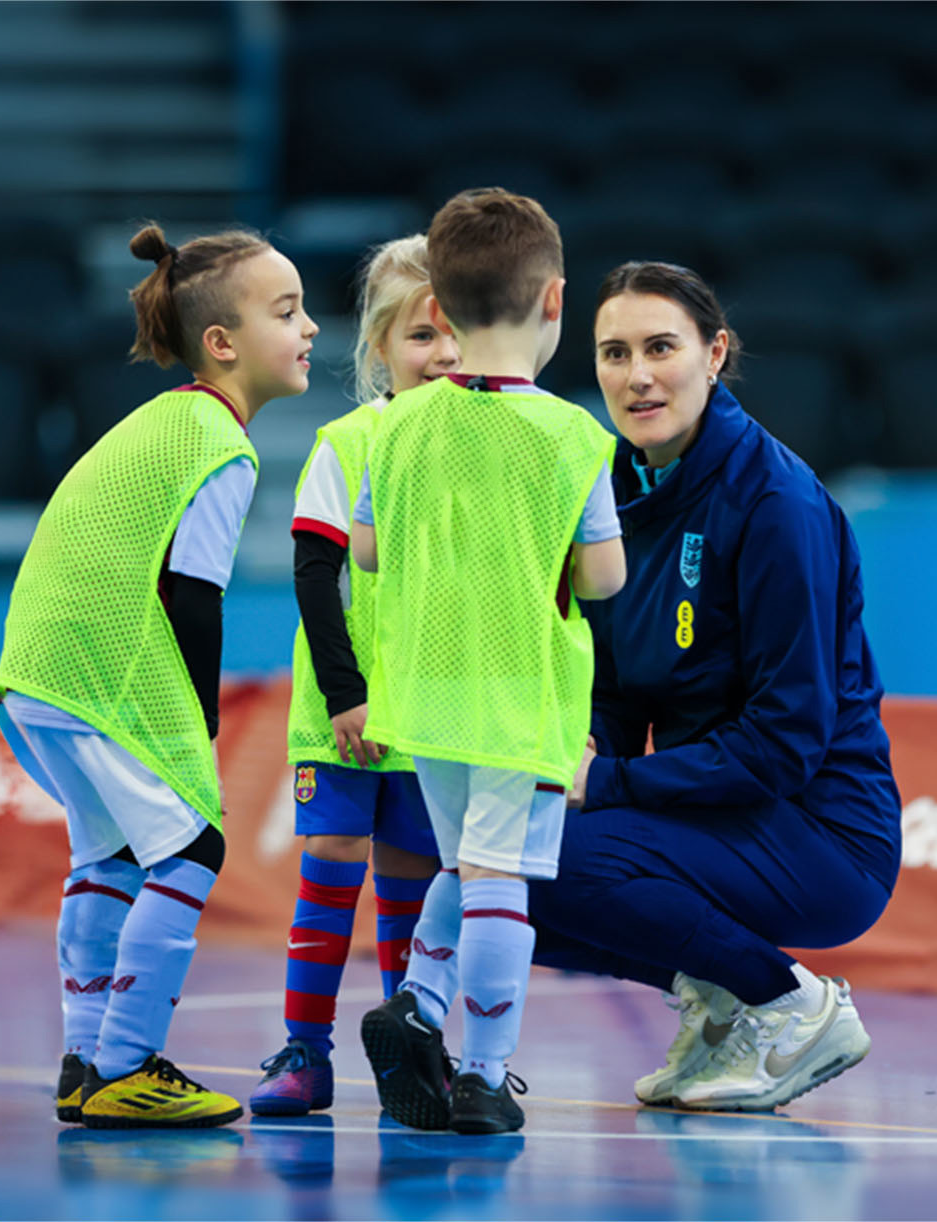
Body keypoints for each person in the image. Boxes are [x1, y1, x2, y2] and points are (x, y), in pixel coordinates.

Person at [531, 261, 896, 1112]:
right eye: (614, 353)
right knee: (496, 865)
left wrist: (609, 786)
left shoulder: (776, 505)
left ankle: (789, 1003)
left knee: (544, 857)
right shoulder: (615, 487)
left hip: (821, 835)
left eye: (661, 347)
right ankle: (722, 999)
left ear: (715, 354)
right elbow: (619, 684)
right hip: (712, 811)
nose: (637, 375)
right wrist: (582, 761)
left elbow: (786, 743)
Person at [0, 223, 316, 1130]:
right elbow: (190, 595)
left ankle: (86, 1059)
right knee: (191, 850)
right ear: (223, 344)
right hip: (104, 673)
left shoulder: (164, 419)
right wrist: (199, 722)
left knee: (112, 854)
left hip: (39, 671)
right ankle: (128, 1063)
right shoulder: (221, 442)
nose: (311, 327)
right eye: (287, 311)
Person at [351, 188, 629, 1135]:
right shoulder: (572, 438)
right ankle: (482, 1073)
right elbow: (602, 579)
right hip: (519, 690)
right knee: (503, 876)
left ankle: (417, 1004)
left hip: (425, 687)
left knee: (470, 861)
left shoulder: (398, 425)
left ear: (438, 310)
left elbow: (369, 551)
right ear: (556, 302)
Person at [248, 235, 459, 1116]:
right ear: (380, 351)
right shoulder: (350, 442)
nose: (443, 354)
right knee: (330, 877)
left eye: (458, 336)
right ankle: (305, 1053)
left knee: (411, 892)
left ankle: (407, 1057)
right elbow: (314, 573)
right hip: (343, 718)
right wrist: (347, 695)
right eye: (420, 337)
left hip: (430, 721)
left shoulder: (486, 450)